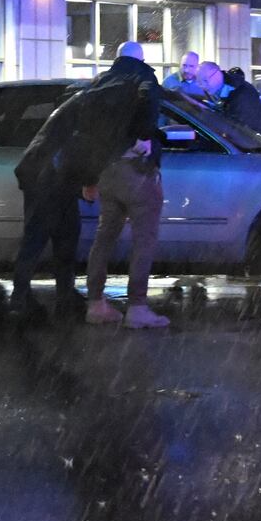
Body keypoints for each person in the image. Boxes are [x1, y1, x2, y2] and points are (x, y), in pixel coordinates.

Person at [84, 41, 171, 329]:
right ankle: (137, 307)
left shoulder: (100, 81)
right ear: (141, 58)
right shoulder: (143, 76)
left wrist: (90, 175)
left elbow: (89, 126)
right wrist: (144, 137)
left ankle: (96, 304)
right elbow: (148, 103)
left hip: (106, 170)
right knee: (143, 239)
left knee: (104, 236)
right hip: (135, 169)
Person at [7, 88, 87, 320]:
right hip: (51, 187)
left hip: (41, 185)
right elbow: (69, 161)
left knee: (35, 244)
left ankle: (22, 298)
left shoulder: (57, 120)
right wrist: (84, 184)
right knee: (62, 243)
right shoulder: (73, 125)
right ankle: (57, 299)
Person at [200, 62, 261, 142]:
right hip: (253, 145)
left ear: (217, 74)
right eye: (199, 82)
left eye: (205, 80)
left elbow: (240, 130)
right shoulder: (219, 92)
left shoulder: (241, 93)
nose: (203, 86)